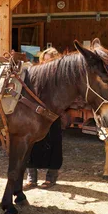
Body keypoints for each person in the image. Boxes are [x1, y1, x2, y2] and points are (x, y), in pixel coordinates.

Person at [23, 47, 63, 190]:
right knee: (32, 144)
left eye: (50, 60)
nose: (47, 63)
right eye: (44, 60)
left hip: (53, 114)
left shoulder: (60, 77)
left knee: (54, 144)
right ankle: (31, 178)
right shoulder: (36, 73)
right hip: (37, 114)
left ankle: (51, 178)